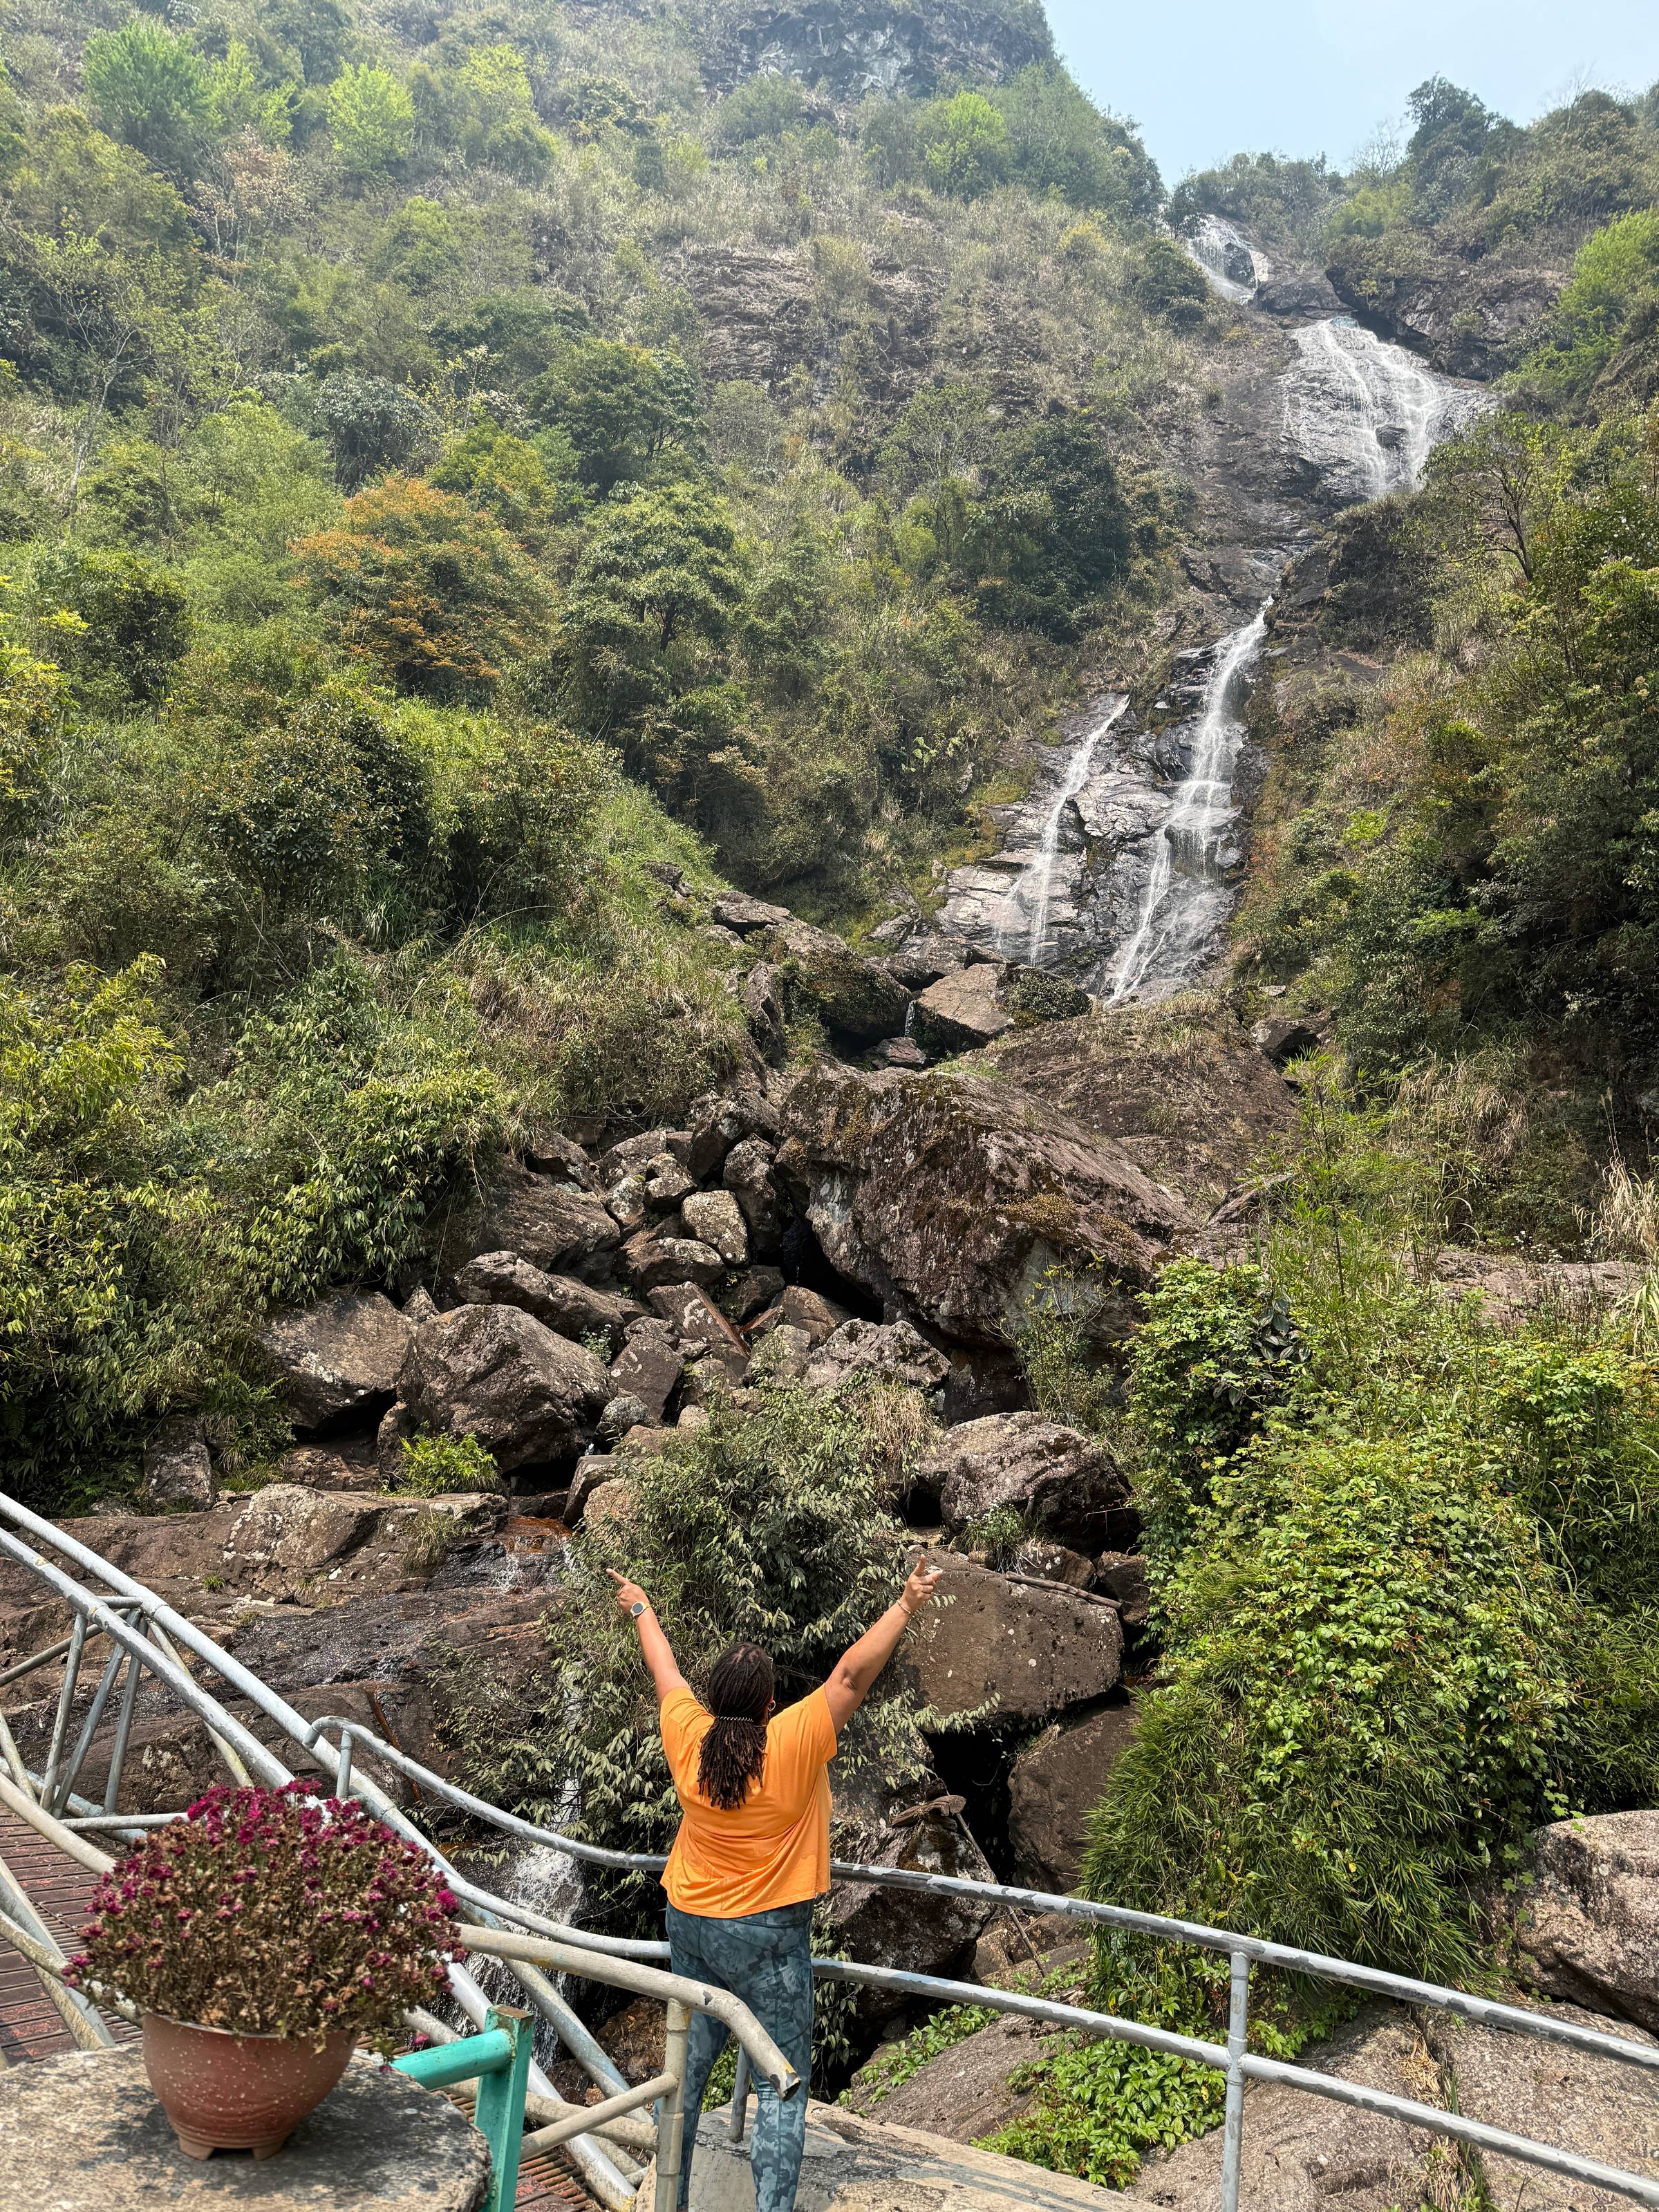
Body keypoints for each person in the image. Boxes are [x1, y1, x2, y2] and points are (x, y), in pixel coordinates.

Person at [607, 1553, 941, 2212]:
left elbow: (663, 1669)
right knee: (780, 2084)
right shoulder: (790, 1740)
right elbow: (850, 1672)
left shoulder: (689, 1736)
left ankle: (665, 2201)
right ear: (767, 1703)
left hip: (692, 1924)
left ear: (715, 1699)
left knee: (686, 2072)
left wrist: (642, 1606)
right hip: (766, 1939)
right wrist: (905, 1604)